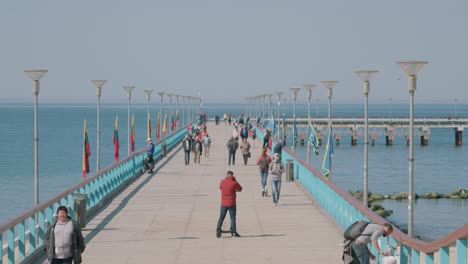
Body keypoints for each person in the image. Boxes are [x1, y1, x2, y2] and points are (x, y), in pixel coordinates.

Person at [216, 170, 243, 238]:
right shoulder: (234, 183)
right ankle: (233, 231)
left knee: (221, 217)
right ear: (232, 175)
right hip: (232, 203)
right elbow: (240, 188)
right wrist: (235, 180)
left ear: (227, 175)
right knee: (232, 218)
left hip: (224, 203)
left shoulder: (222, 181)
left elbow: (220, 188)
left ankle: (218, 229)